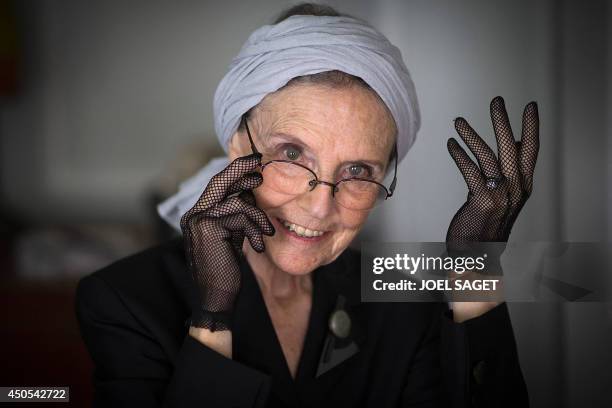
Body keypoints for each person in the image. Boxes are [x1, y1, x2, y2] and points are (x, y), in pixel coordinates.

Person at [75, 3, 538, 407]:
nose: (320, 207)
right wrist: (212, 318)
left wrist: (473, 272)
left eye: (358, 171)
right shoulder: (126, 300)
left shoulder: (401, 295)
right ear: (238, 145)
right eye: (292, 155)